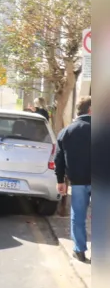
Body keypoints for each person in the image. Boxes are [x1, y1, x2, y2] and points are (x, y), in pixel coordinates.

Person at [54, 96, 91, 263]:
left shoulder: (67, 131)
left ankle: (79, 250)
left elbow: (59, 158)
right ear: (90, 110)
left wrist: (60, 180)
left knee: (78, 216)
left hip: (78, 182)